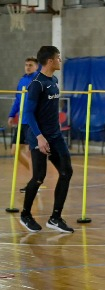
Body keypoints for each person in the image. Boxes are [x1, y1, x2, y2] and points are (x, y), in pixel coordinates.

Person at [20, 46, 75, 234]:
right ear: (50, 61)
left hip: (55, 136)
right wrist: (39, 137)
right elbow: (28, 113)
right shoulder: (37, 83)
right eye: (58, 58)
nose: (60, 60)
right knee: (38, 177)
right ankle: (25, 214)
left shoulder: (54, 79)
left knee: (66, 172)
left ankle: (55, 217)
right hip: (39, 137)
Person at [8, 57, 38, 192]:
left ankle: (34, 184)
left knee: (32, 153)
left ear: (36, 66)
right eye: (26, 65)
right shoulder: (22, 80)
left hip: (34, 121)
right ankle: (34, 177)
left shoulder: (39, 80)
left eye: (30, 65)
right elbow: (17, 100)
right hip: (22, 121)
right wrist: (11, 114)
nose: (27, 67)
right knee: (15, 151)